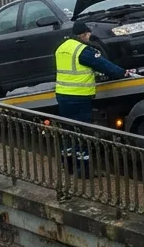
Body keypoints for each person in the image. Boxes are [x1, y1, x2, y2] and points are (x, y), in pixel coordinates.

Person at [56, 22, 133, 173]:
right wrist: (123, 73)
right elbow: (103, 64)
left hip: (62, 95)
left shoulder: (61, 48)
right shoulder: (83, 50)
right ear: (84, 34)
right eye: (88, 34)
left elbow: (77, 68)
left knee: (68, 131)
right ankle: (83, 171)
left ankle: (68, 166)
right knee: (83, 133)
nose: (89, 37)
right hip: (79, 97)